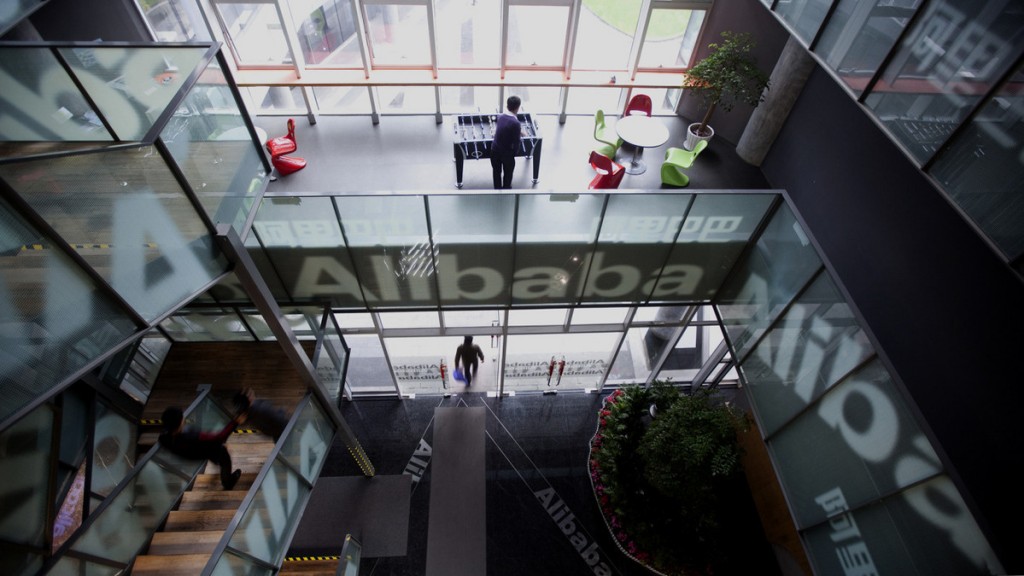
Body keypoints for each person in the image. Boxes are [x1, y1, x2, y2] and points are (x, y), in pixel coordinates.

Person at [159, 406, 242, 490]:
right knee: (224, 460)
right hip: (207, 450)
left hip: (194, 454)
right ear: (180, 422)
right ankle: (227, 483)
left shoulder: (163, 438)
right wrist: (235, 422)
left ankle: (216, 461)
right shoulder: (191, 436)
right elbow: (219, 437)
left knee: (214, 455)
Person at [491, 95, 522, 189]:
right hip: (506, 153)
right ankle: (506, 189)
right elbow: (517, 142)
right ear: (517, 107)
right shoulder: (516, 123)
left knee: (496, 172)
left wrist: (520, 131)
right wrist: (515, 152)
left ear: (507, 106)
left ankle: (497, 189)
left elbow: (505, 128)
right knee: (508, 173)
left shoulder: (501, 117)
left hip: (494, 150)